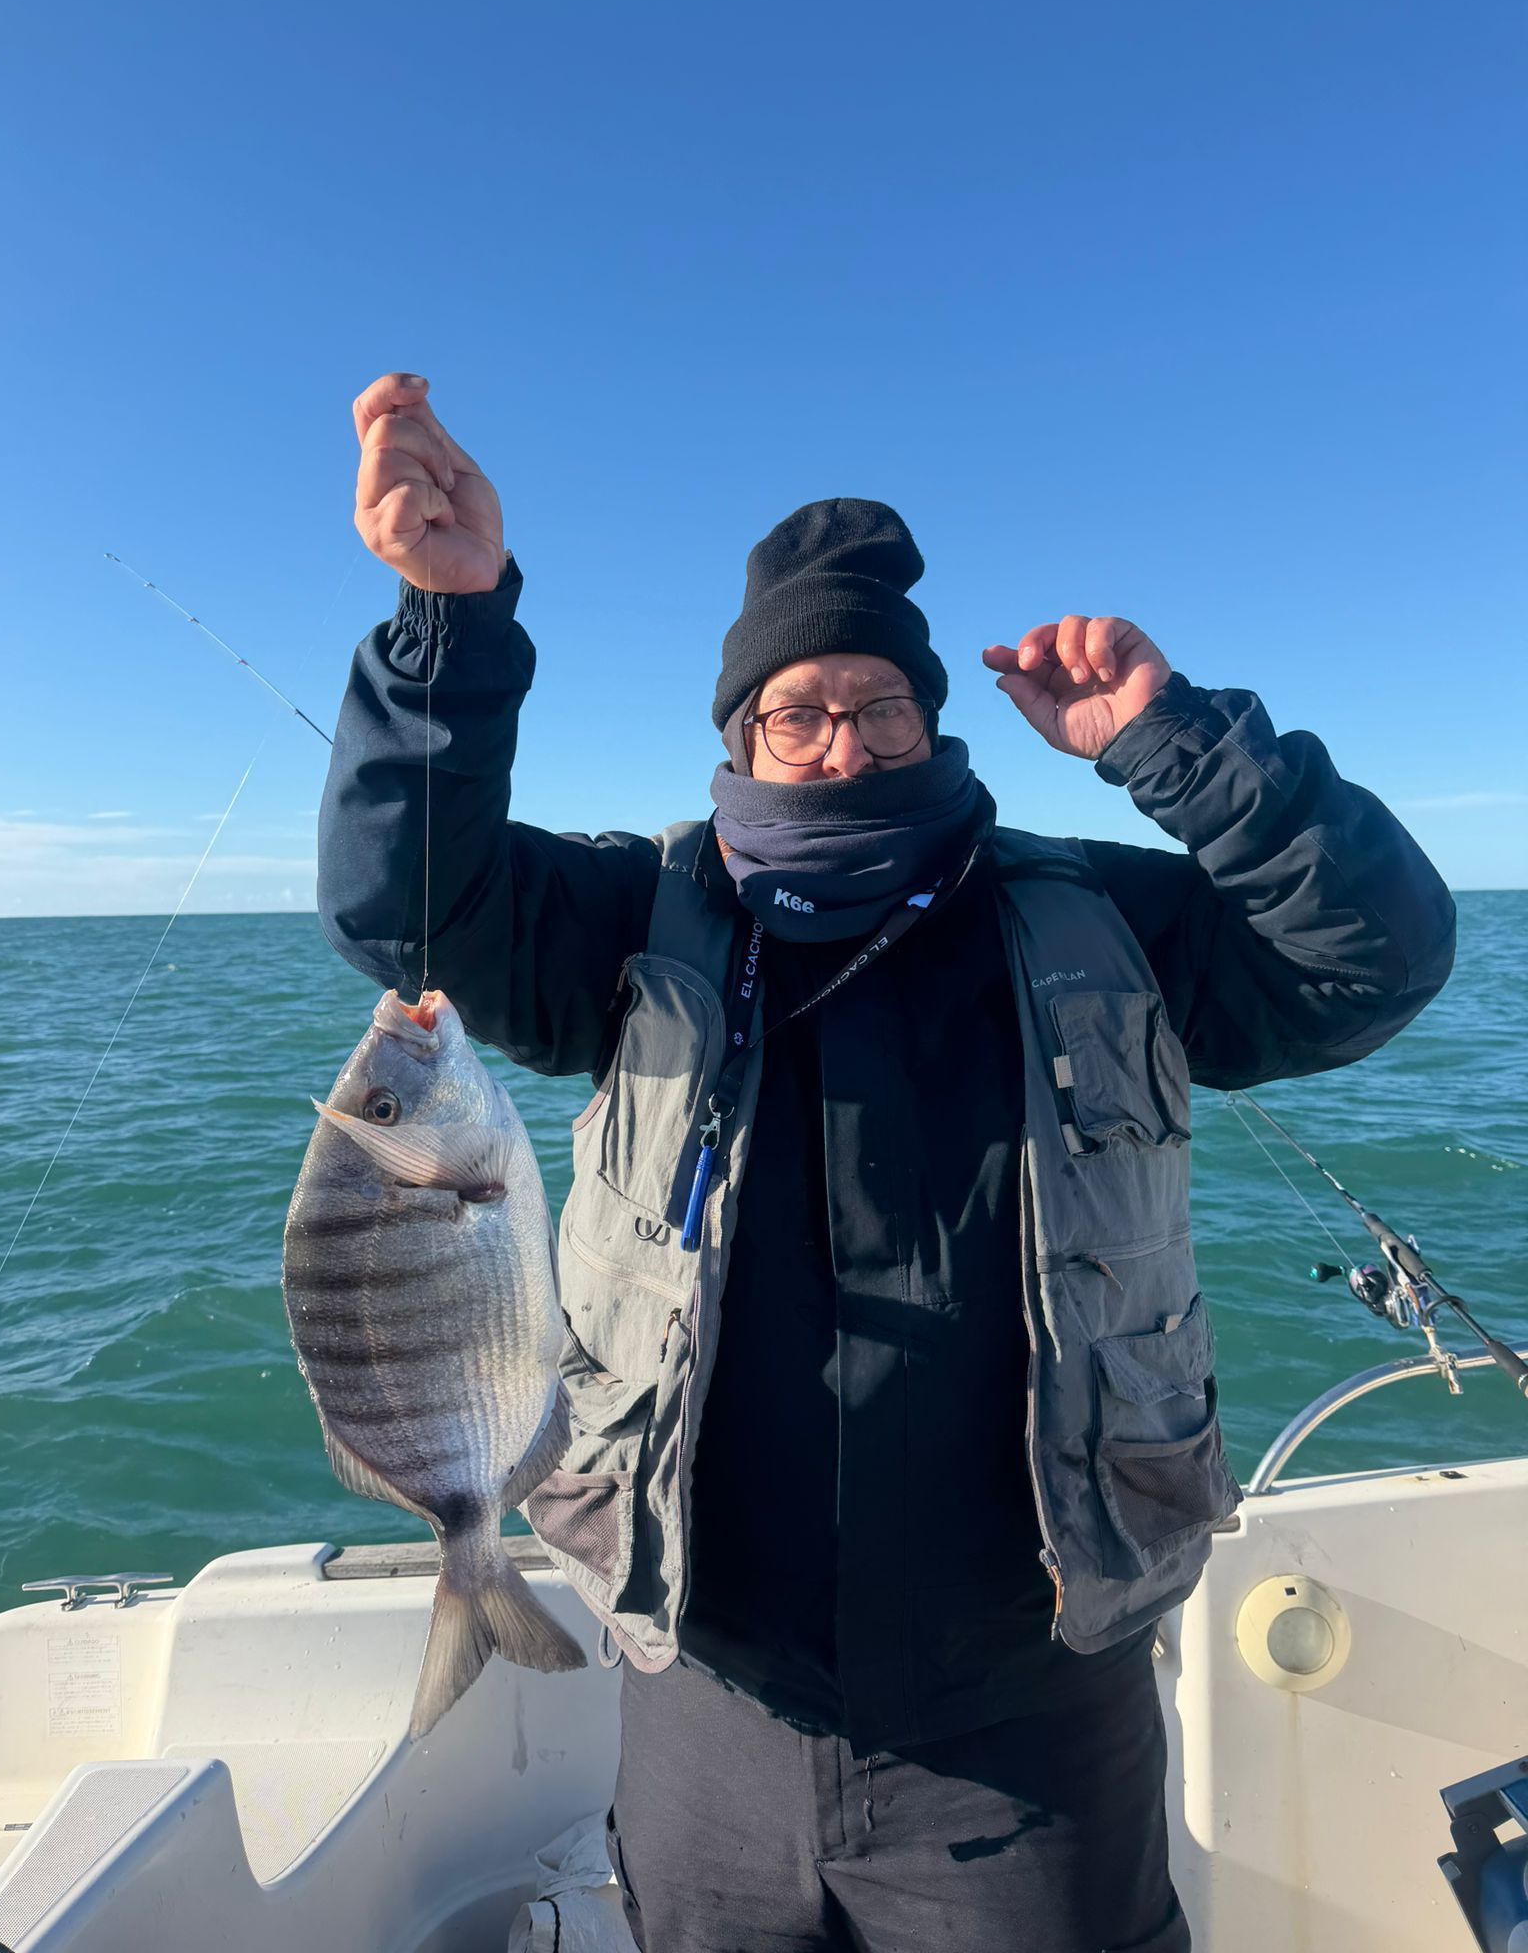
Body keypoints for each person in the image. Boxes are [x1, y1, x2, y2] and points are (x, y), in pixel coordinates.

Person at [320, 372, 1456, 1953]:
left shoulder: (1096, 920)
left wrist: (1179, 744)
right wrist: (448, 626)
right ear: (743, 736)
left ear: (934, 722)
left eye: (881, 706)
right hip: (712, 1696)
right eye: (798, 711)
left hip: (1033, 1711)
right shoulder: (636, 923)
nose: (844, 744)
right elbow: (405, 911)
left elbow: (1376, 956)